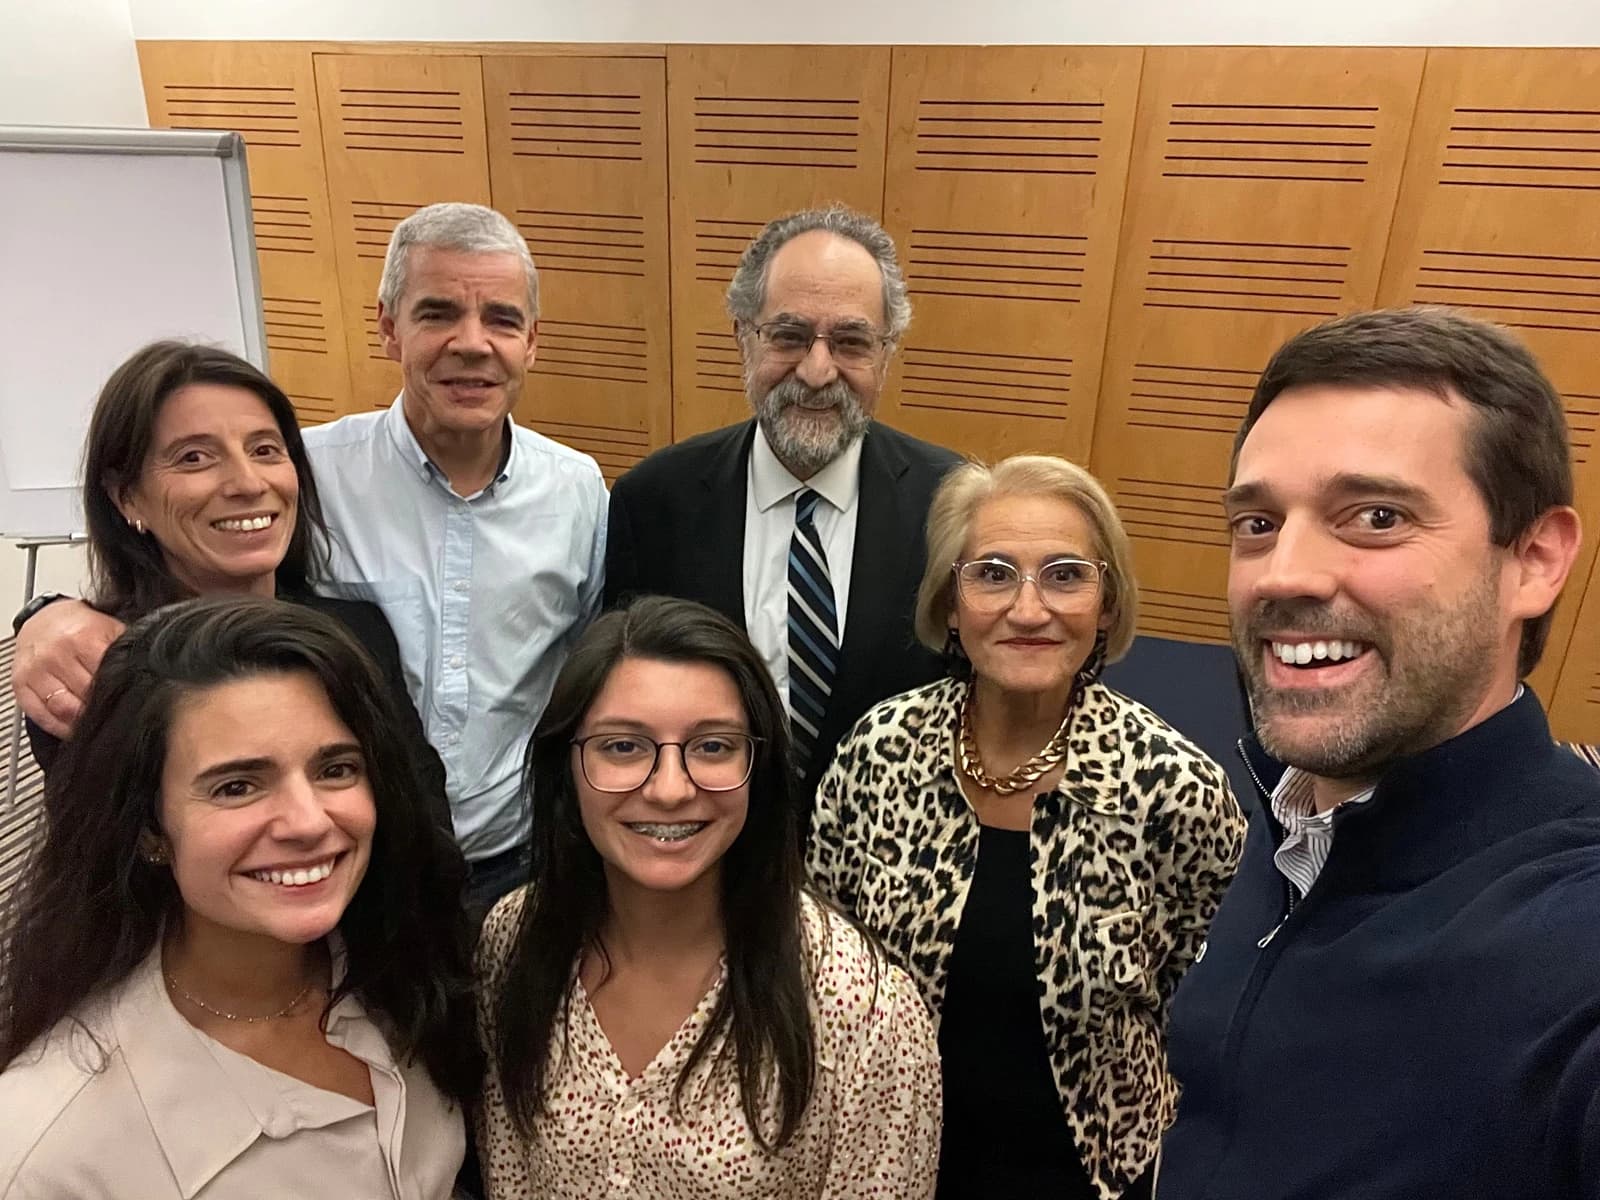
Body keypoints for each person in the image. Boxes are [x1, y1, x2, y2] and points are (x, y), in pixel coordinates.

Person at [12, 202, 609, 915]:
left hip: (521, 853)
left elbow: (588, 675)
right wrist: (45, 615)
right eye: (437, 313)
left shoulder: (578, 490)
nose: (472, 344)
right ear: (389, 327)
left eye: (502, 320)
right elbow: (169, 576)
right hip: (336, 864)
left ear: (532, 341)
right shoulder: (309, 472)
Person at [1159, 307, 1598, 1199]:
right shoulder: (1279, 827)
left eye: (1376, 516)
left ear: (1536, 561)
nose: (1283, 573)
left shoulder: (1571, 942)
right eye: (1256, 523)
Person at [808, 454, 1244, 1200]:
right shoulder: (876, 751)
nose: (1030, 609)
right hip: (882, 1159)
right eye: (994, 573)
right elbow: (819, 957)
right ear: (950, 602)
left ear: (1107, 604)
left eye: (1067, 575)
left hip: (1083, 1172)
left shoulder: (1174, 788)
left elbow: (1192, 1003)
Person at [0, 597, 480, 1197]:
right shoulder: (49, 1152)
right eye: (237, 786)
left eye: (335, 770)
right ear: (148, 829)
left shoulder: (410, 976)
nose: (307, 822)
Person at [475, 596, 941, 1199]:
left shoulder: (862, 1009)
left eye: (714, 747)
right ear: (567, 766)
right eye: (623, 746)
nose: (670, 789)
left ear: (760, 764)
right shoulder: (514, 941)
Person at [15, 340, 451, 837]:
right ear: (127, 496)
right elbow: (108, 881)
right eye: (195, 457)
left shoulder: (358, 629)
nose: (247, 482)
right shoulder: (92, 671)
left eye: (265, 450)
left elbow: (423, 823)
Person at [605, 206, 961, 809]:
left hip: (884, 857)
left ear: (887, 352)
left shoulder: (951, 503)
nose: (817, 371)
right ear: (743, 335)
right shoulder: (653, 503)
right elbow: (625, 702)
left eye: (850, 341)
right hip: (706, 852)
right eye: (789, 336)